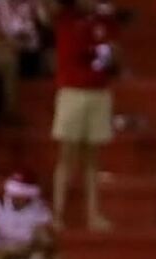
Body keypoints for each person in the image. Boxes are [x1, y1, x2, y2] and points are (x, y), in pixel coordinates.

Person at [50, 0, 120, 231]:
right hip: (72, 91)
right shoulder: (65, 17)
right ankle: (58, 214)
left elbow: (116, 54)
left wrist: (112, 54)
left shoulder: (105, 21)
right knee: (67, 156)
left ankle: (93, 214)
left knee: (93, 159)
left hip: (99, 92)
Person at [0, 0, 46, 125]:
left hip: (32, 53)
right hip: (1, 52)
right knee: (7, 59)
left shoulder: (33, 3)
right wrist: (13, 43)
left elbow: (49, 23)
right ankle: (10, 111)